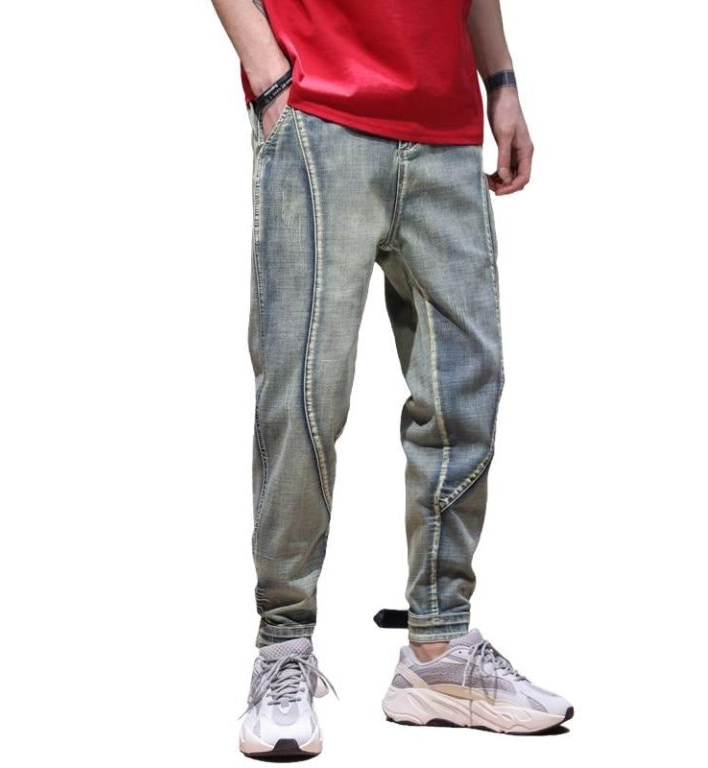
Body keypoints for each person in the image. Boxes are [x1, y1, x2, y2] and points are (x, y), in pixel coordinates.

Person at [210, 0, 573, 759]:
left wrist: (501, 82)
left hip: (446, 126)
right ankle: (284, 648)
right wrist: (270, 79)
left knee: (464, 389)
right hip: (320, 116)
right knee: (304, 395)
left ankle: (438, 654)